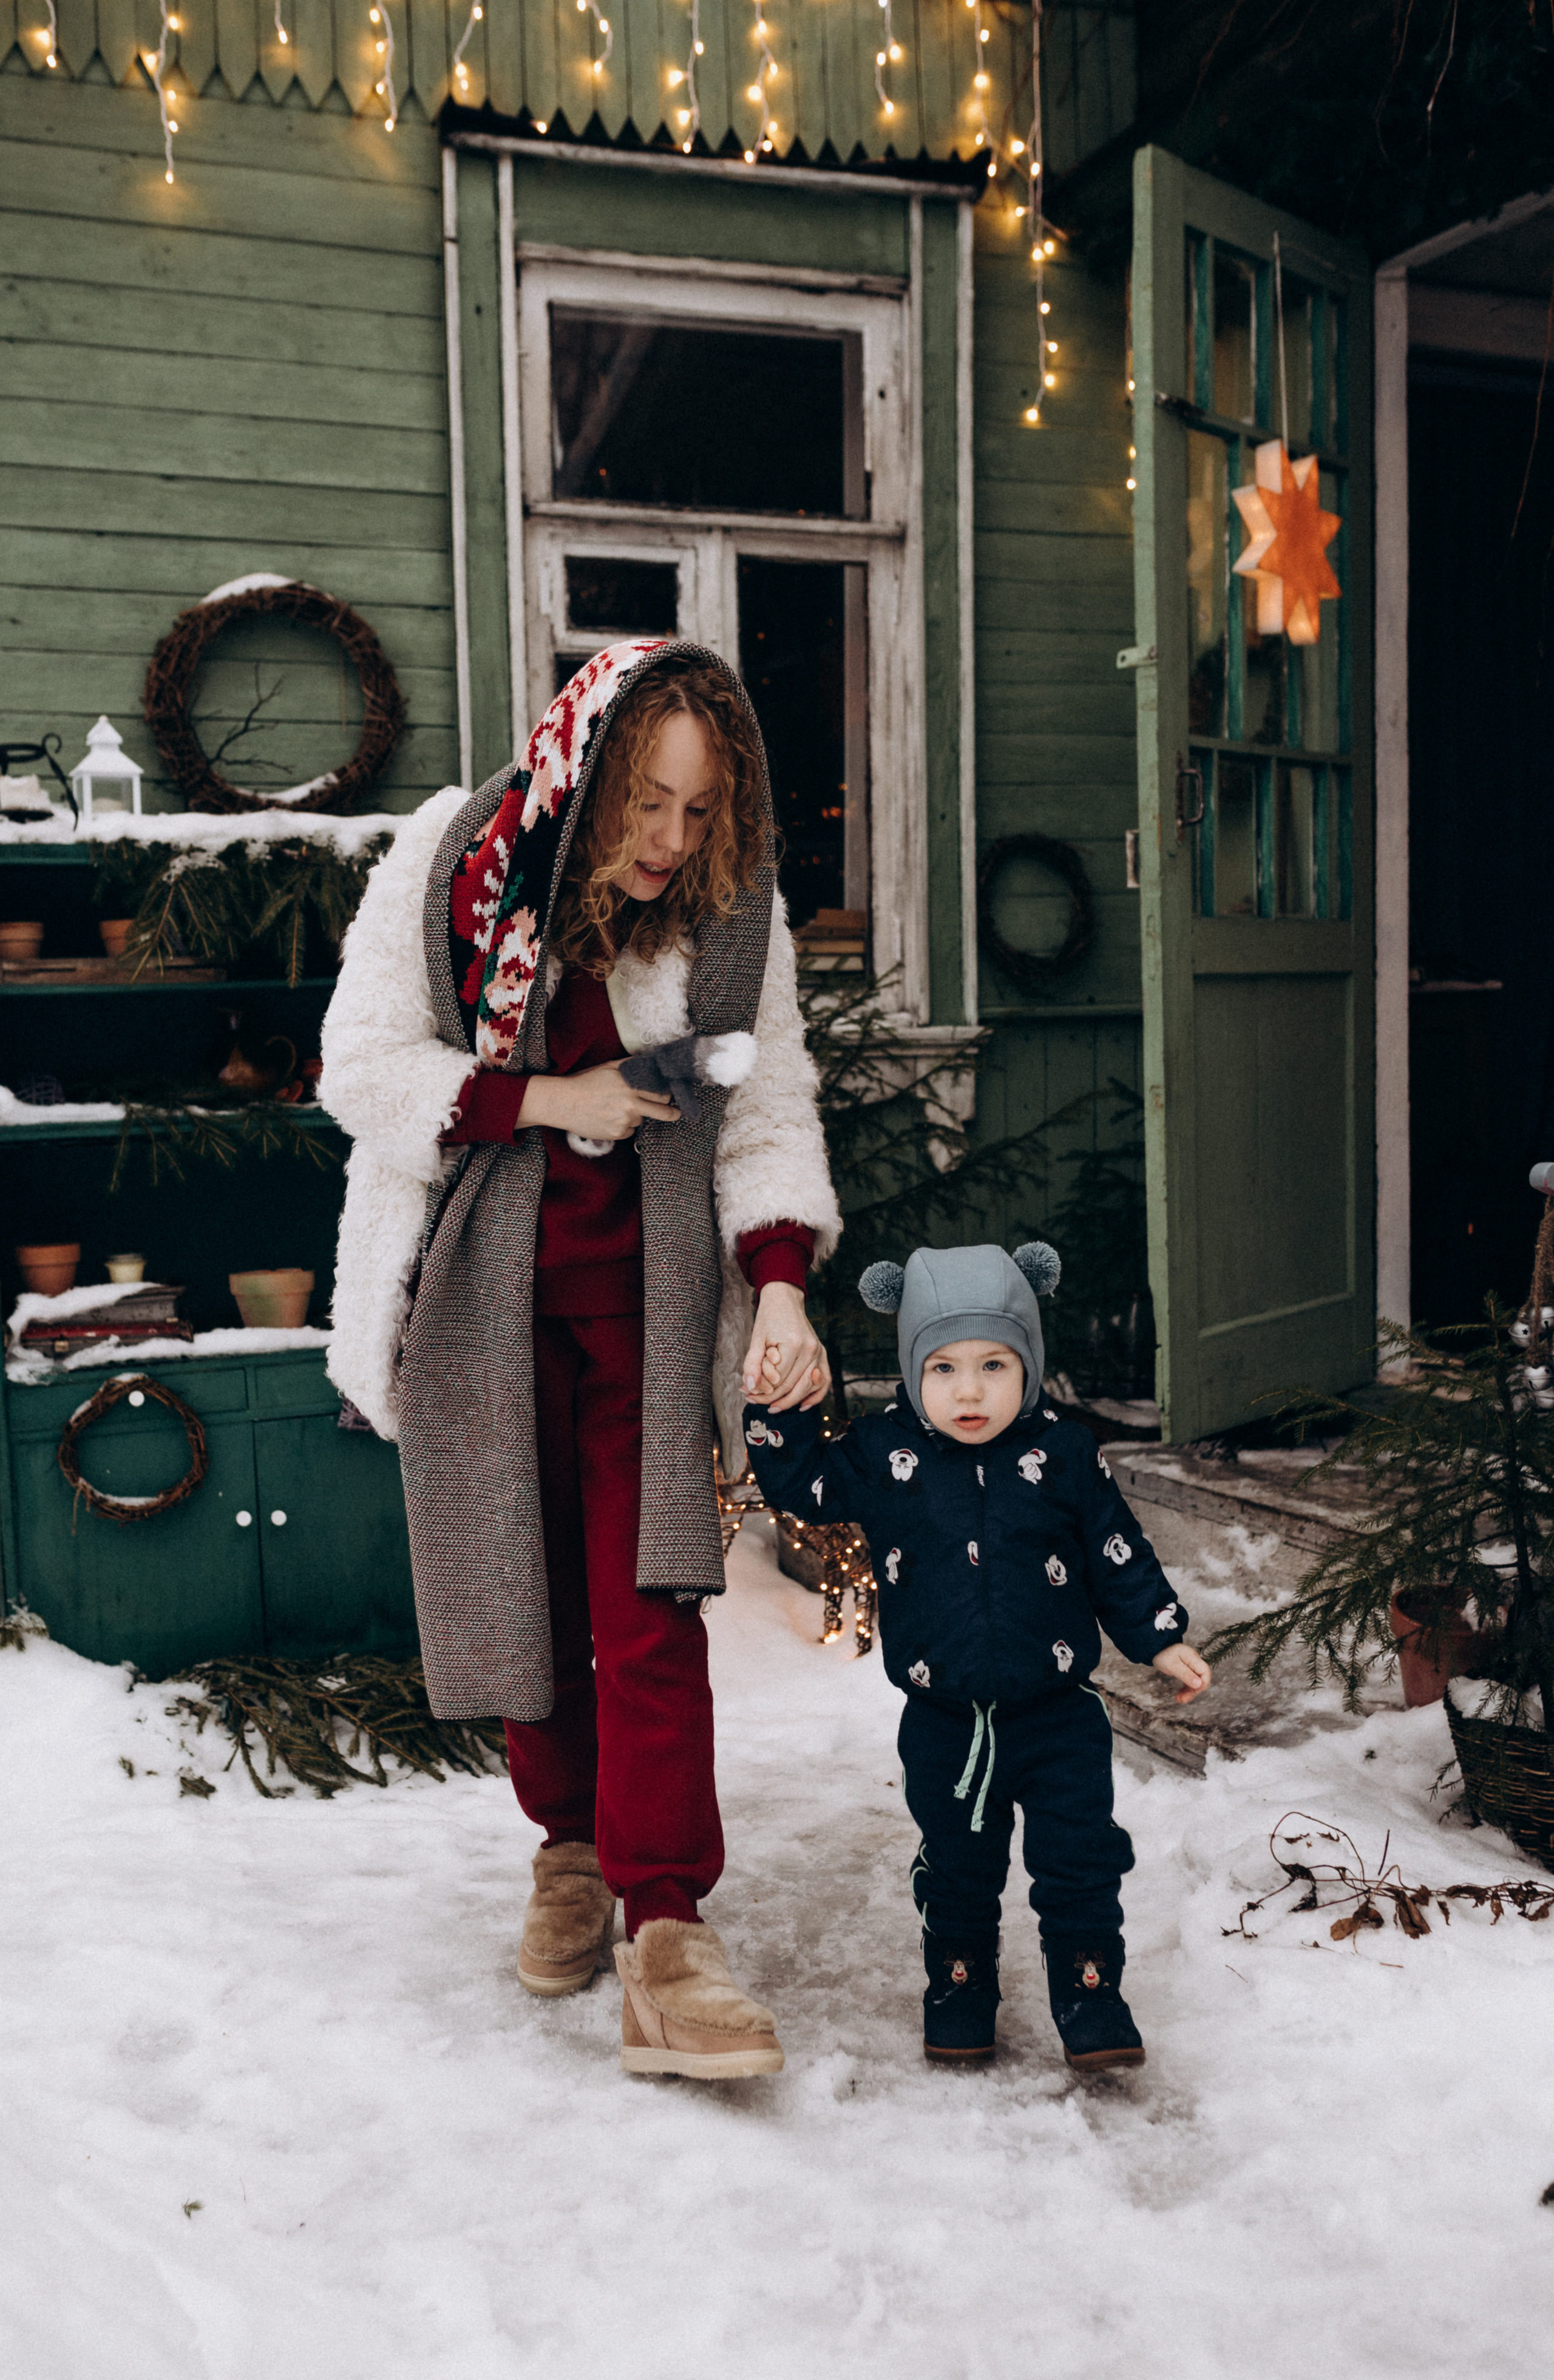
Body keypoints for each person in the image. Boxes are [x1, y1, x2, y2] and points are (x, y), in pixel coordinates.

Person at [319, 639, 841, 2081]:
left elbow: (766, 1101)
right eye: (649, 805)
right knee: (525, 1598)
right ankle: (569, 1847)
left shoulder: (735, 913)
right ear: (588, 771)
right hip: (481, 1299)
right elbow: (357, 1066)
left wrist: (781, 1286)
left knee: (653, 1603)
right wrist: (555, 1095)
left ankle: (667, 1924)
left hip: (652, 1310)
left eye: (700, 808)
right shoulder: (451, 861)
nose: (675, 841)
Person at [741, 1241, 1212, 2070]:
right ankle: (959, 1985)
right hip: (944, 1721)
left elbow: (1114, 1549)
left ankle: (1091, 1989)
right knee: (958, 1866)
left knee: (1078, 1860)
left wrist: (1159, 1636)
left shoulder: (1064, 1449)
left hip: (1060, 1716)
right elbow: (801, 1483)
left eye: (995, 1364)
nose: (969, 1390)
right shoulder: (887, 1454)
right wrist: (780, 1410)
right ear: (912, 1369)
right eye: (945, 1367)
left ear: (1028, 1361)